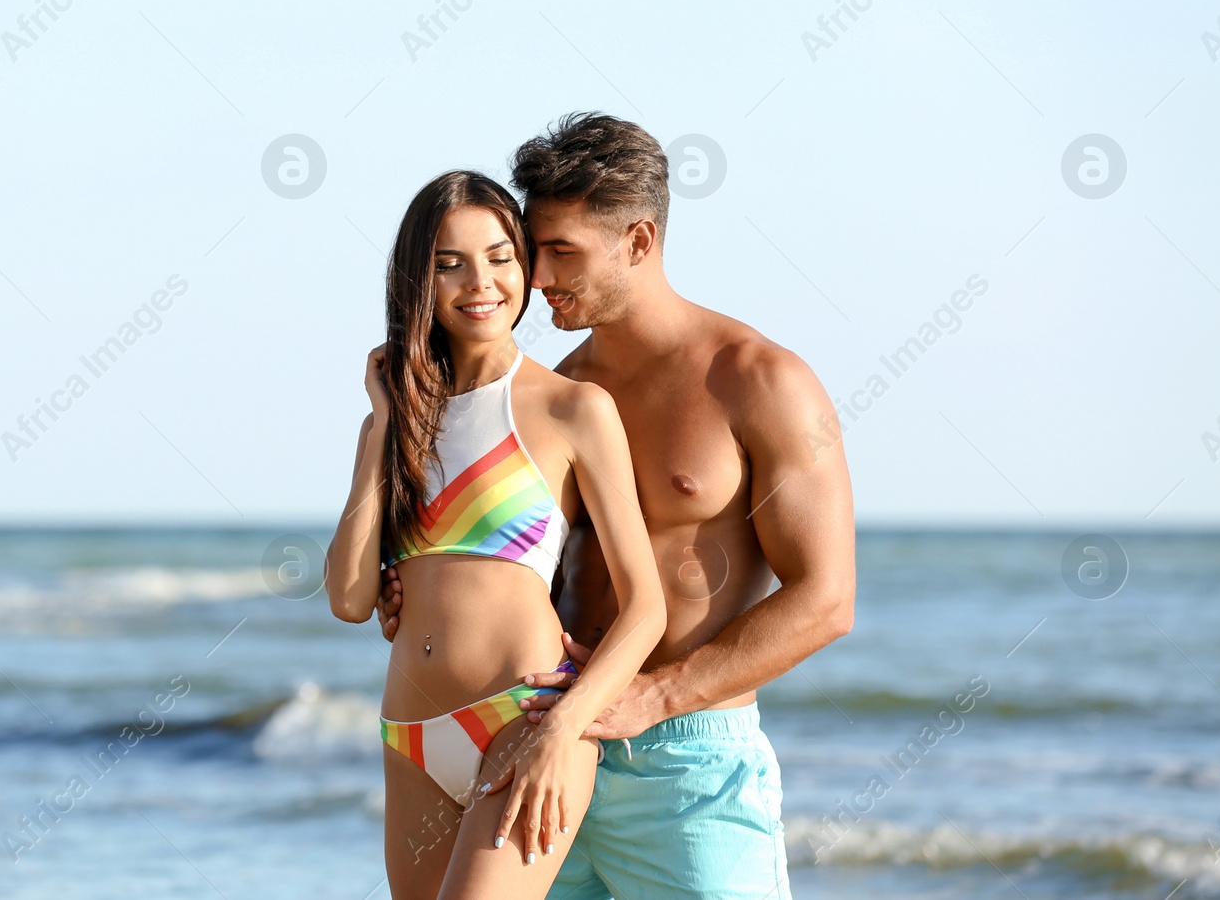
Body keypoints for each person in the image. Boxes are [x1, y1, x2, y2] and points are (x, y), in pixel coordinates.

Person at [376, 114, 857, 899]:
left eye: (562, 251)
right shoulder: (547, 395)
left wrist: (655, 696)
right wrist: (420, 591)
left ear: (638, 241)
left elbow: (826, 600)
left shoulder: (761, 381)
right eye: (534, 250)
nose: (535, 276)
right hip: (538, 740)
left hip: (685, 761)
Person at [327, 170, 667, 900]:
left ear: (523, 265)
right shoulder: (392, 423)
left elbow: (647, 608)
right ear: (419, 281)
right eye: (449, 264)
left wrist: (563, 728)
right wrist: (383, 427)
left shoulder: (573, 408)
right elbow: (352, 599)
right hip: (410, 735)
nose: (478, 282)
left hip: (523, 721)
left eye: (498, 256)